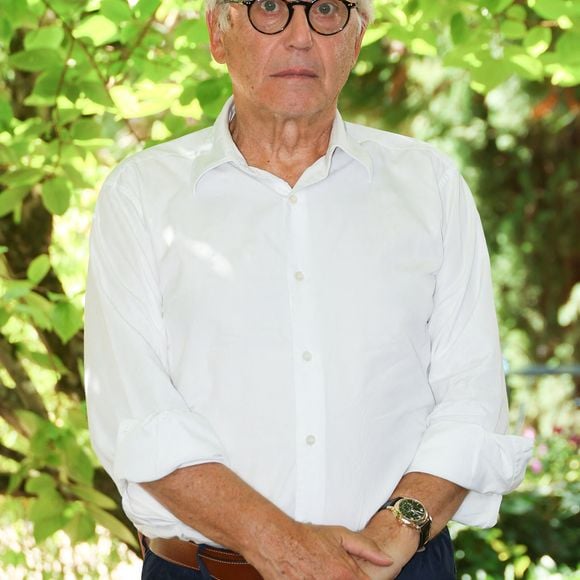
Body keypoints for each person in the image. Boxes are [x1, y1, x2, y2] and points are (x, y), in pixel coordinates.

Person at [84, 0, 533, 577]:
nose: (300, 36)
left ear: (358, 36)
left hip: (398, 569)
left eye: (326, 9)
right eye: (268, 7)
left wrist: (395, 532)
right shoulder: (141, 197)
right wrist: (285, 548)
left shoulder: (430, 186)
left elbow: (472, 398)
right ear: (218, 37)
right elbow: (136, 418)